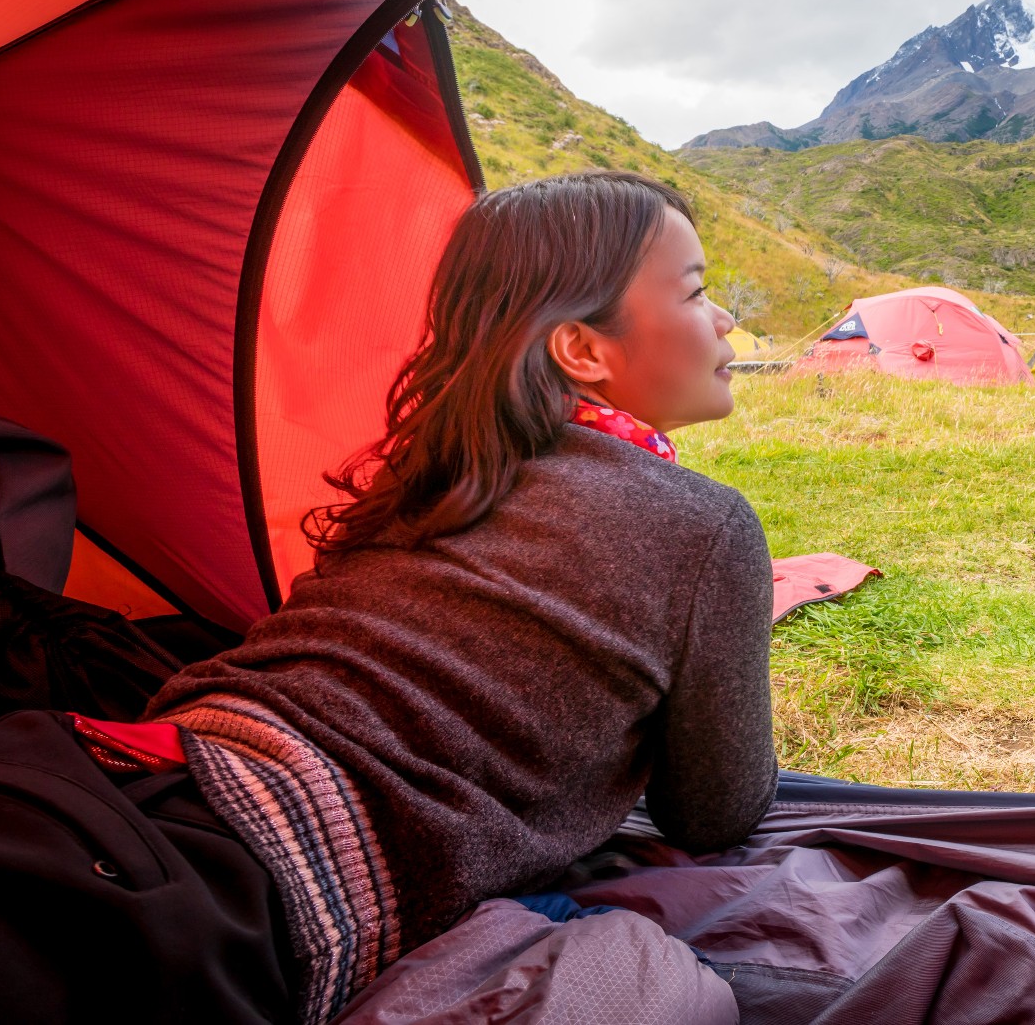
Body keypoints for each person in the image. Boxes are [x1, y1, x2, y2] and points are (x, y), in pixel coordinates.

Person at [144, 170, 776, 1024]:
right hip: (253, 903)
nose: (725, 319)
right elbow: (716, 811)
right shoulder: (703, 524)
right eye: (698, 292)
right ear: (582, 350)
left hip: (149, 767)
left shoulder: (425, 480)